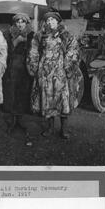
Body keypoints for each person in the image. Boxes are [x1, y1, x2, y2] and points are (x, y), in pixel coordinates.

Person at [27, 11, 83, 139]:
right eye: (48, 20)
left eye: (53, 20)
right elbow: (33, 51)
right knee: (47, 100)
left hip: (60, 73)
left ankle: (64, 130)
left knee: (63, 100)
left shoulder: (66, 35)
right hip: (45, 73)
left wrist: (67, 68)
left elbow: (73, 50)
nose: (50, 22)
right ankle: (50, 128)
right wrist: (35, 67)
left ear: (57, 21)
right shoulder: (40, 35)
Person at [2, 13, 34, 135]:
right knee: (11, 93)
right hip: (12, 67)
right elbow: (5, 50)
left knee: (23, 93)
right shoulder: (8, 34)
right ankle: (13, 120)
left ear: (26, 23)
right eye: (18, 22)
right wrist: (16, 42)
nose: (20, 24)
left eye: (23, 22)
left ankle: (20, 120)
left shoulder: (32, 35)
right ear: (15, 23)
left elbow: (34, 51)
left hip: (25, 68)